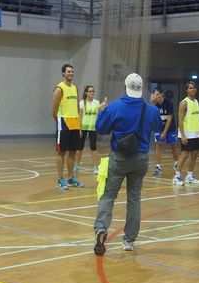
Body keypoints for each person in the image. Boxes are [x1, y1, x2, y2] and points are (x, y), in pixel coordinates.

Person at [93, 73, 161, 255]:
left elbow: (100, 129)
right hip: (141, 159)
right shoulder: (151, 110)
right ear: (141, 89)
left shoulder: (115, 107)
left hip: (119, 158)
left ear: (125, 87)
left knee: (108, 195)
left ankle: (101, 228)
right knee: (134, 198)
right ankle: (129, 240)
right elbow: (157, 127)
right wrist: (152, 105)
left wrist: (102, 111)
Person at [52, 64, 83, 189]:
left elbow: (76, 108)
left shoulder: (75, 88)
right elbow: (53, 109)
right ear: (63, 73)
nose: (71, 74)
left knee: (73, 152)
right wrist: (59, 120)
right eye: (69, 72)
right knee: (61, 152)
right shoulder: (59, 88)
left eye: (72, 72)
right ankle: (60, 179)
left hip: (74, 123)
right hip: (64, 123)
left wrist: (79, 125)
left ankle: (71, 178)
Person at [173, 81, 199, 186]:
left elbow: (198, 118)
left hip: (195, 133)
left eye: (194, 88)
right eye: (190, 88)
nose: (193, 89)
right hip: (186, 134)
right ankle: (176, 177)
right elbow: (180, 120)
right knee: (185, 155)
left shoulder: (196, 102)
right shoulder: (184, 103)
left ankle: (189, 176)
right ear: (186, 90)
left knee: (194, 154)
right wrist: (183, 135)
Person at [76, 85, 106, 175]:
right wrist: (79, 128)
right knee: (79, 147)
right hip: (83, 127)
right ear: (86, 93)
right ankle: (76, 165)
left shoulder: (97, 102)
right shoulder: (82, 103)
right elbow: (80, 116)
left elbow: (101, 112)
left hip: (93, 128)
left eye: (93, 91)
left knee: (93, 147)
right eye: (90, 91)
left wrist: (104, 105)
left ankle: (95, 167)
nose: (92, 93)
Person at [150, 88, 179, 177]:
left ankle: (176, 163)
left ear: (162, 94)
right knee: (158, 144)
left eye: (158, 94)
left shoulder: (168, 104)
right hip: (159, 127)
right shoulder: (154, 104)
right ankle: (158, 167)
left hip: (170, 128)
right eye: (155, 94)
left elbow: (170, 119)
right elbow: (152, 115)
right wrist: (153, 104)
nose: (156, 96)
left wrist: (165, 132)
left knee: (173, 145)